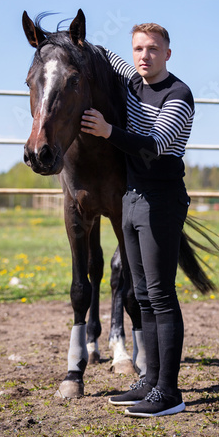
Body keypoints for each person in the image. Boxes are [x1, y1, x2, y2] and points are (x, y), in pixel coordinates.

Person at [80, 22, 194, 417]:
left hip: (161, 201)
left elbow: (156, 146)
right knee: (141, 293)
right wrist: (71, 44)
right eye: (138, 49)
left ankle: (169, 392)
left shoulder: (178, 95)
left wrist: (109, 130)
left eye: (153, 49)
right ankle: (149, 380)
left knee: (162, 296)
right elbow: (102, 55)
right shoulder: (133, 81)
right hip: (131, 199)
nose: (144, 56)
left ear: (167, 53)